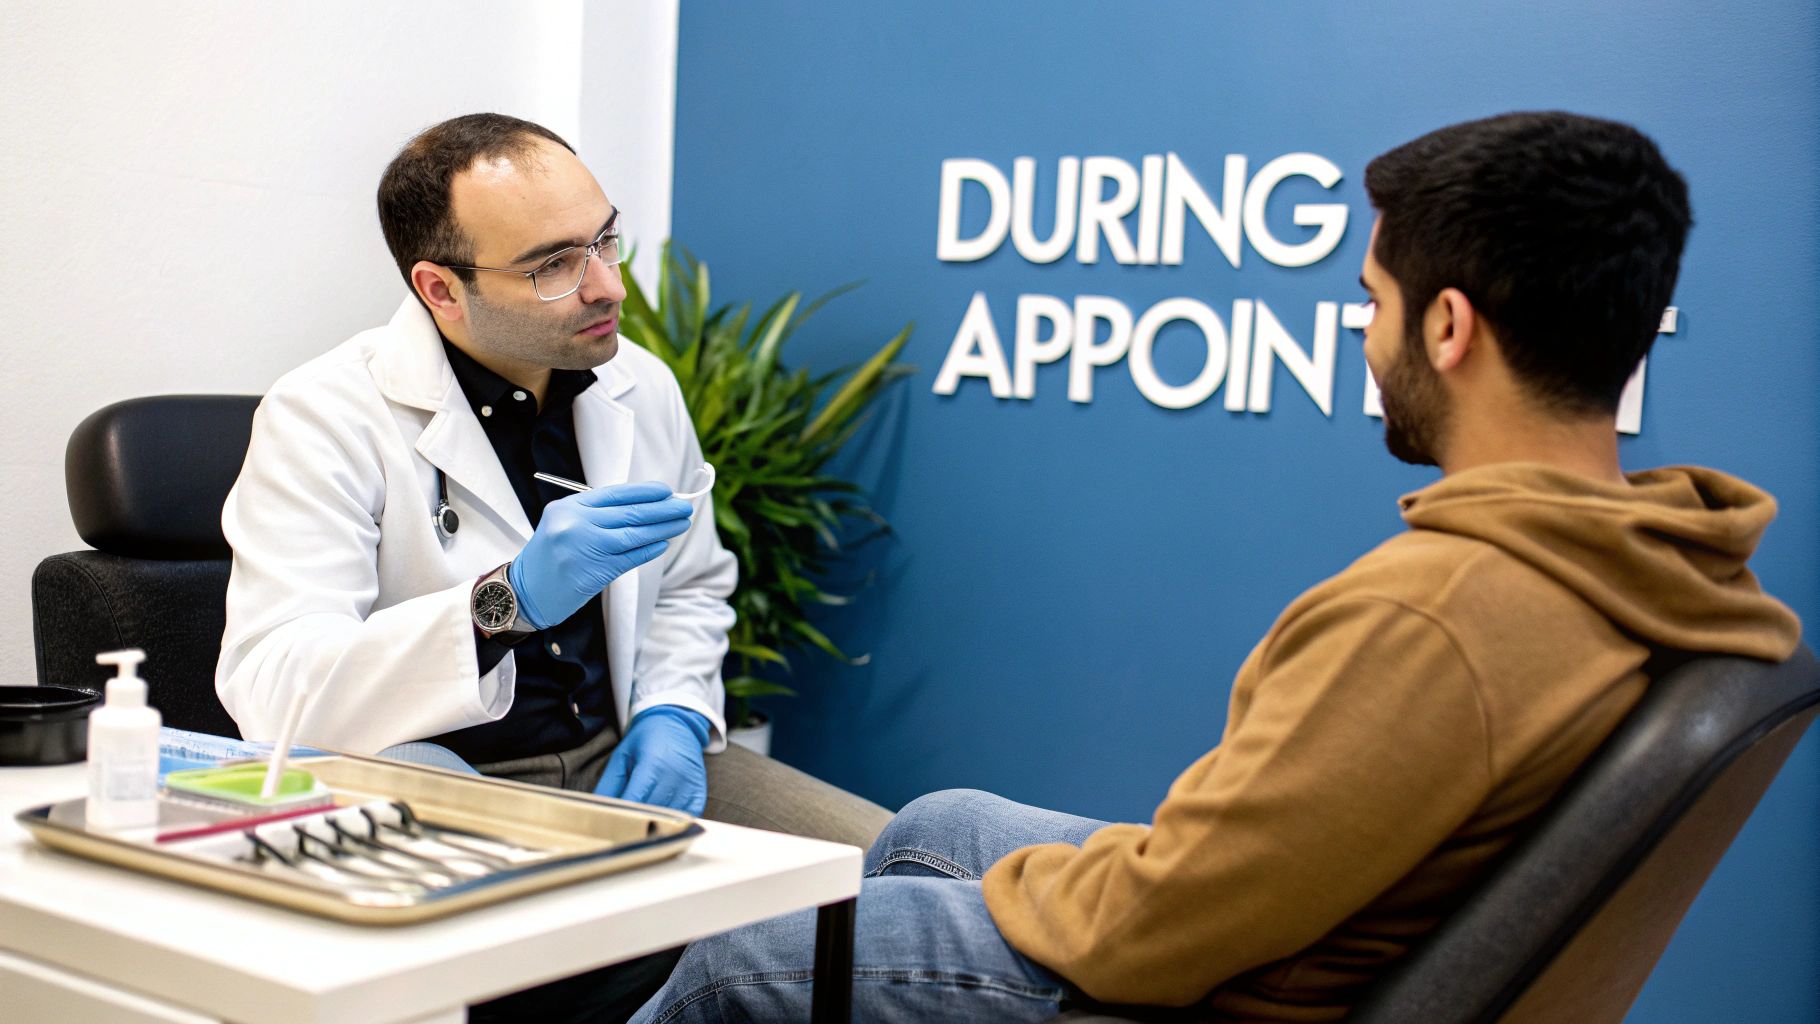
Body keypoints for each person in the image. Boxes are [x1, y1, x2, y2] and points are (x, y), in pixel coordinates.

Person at [626, 111, 1803, 1023]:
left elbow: (1160, 926)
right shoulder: (1666, 557)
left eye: (1369, 301)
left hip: (1230, 989)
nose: (1360, 332)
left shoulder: (1436, 615)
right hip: (1297, 931)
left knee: (743, 965)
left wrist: (1011, 903)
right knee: (938, 825)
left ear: (1446, 327)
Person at [217, 113, 890, 847]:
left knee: (893, 862)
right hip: (440, 769)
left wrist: (674, 712)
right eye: (553, 266)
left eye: (605, 240)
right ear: (440, 290)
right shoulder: (325, 415)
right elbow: (278, 692)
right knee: (571, 924)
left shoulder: (639, 384)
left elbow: (692, 584)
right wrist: (504, 604)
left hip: (622, 758)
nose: (608, 287)